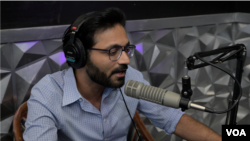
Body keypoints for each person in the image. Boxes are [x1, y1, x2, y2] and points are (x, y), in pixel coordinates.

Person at [23, 7, 222, 141]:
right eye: (113, 51)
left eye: (126, 49)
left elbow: (172, 118)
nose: (126, 60)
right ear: (78, 56)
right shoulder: (47, 94)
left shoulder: (130, 79)